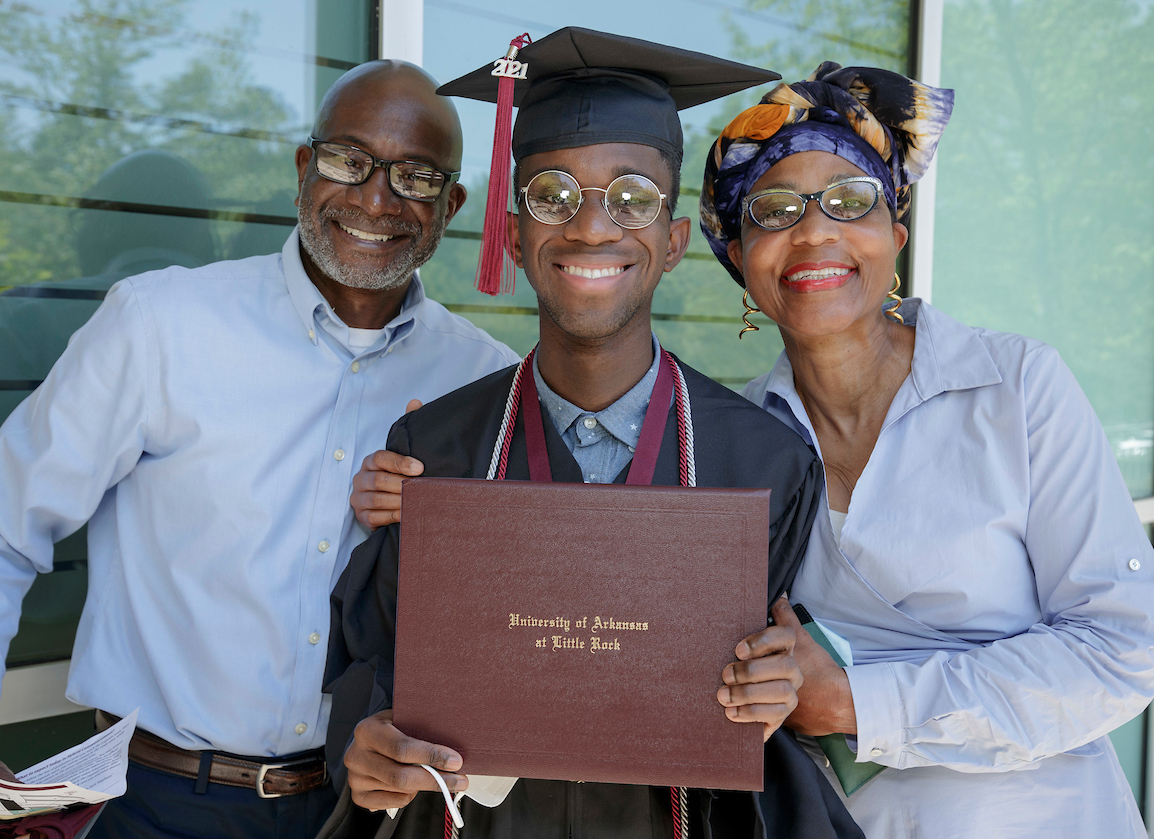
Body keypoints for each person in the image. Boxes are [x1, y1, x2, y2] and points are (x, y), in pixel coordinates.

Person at [319, 28, 864, 839]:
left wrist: (789, 687)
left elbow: (816, 696)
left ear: (673, 240)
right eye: (552, 196)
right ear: (512, 233)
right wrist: (368, 762)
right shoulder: (434, 456)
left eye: (634, 198)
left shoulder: (767, 464)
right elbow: (374, 693)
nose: (590, 226)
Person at [0, 60, 518, 839]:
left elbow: (504, 608)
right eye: (349, 160)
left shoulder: (483, 381)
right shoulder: (161, 325)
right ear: (305, 169)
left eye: (413, 177)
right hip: (154, 801)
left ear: (451, 207)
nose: (376, 199)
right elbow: (9, 518)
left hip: (365, 809)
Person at [696, 63, 1154, 836]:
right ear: (744, 264)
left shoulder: (1015, 389)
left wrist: (853, 702)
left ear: (895, 237)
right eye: (775, 211)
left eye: (851, 202)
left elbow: (1118, 649)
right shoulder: (731, 441)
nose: (815, 232)